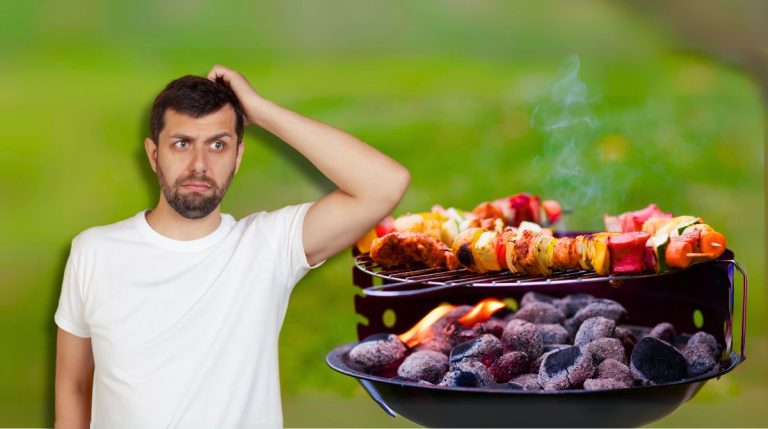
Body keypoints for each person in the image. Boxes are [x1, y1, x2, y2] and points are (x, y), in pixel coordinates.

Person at [54, 65, 411, 428]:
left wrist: (259, 109)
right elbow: (73, 384)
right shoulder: (94, 252)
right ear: (153, 154)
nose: (199, 165)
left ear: (237, 157)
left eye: (217, 145)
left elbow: (384, 184)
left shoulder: (268, 247)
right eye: (181, 144)